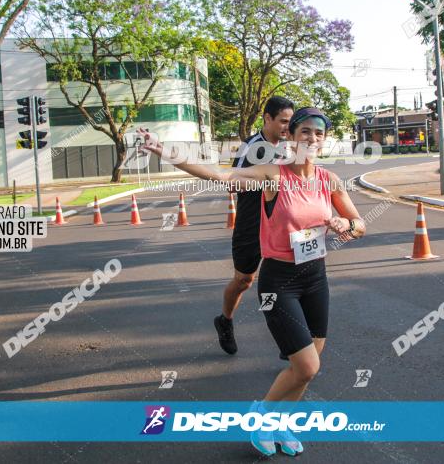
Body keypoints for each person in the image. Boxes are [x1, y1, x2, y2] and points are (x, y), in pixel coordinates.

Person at [139, 106, 366, 457]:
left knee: (304, 372)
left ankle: (282, 422)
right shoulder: (273, 176)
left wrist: (344, 225)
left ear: (325, 140)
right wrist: (164, 150)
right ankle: (262, 415)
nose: (312, 138)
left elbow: (359, 223)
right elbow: (220, 177)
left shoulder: (328, 181)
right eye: (304, 131)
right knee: (308, 365)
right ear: (290, 136)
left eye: (319, 133)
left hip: (315, 279)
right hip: (279, 283)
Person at [214, 96, 293, 358]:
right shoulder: (250, 147)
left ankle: (291, 342)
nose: (286, 126)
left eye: (290, 122)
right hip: (251, 225)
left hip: (281, 226)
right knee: (243, 281)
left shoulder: (289, 147)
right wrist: (263, 179)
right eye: (283, 121)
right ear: (267, 118)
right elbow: (232, 183)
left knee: (284, 283)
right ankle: (225, 320)